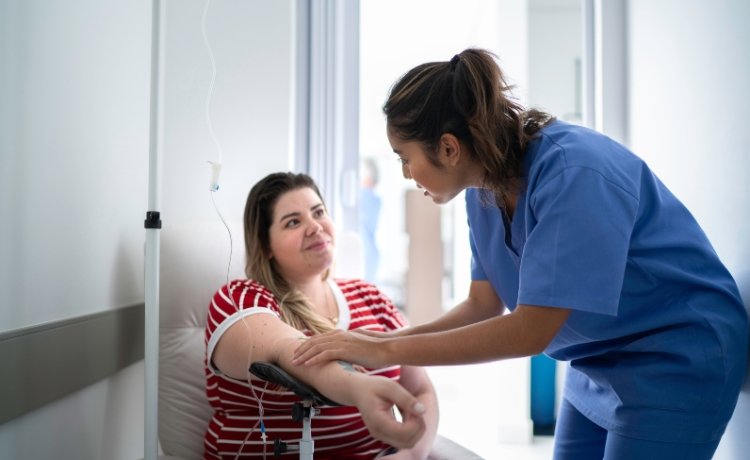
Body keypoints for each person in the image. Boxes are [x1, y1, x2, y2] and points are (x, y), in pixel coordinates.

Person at [293, 49, 749, 459]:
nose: (407, 173)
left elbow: (529, 331)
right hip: (595, 361)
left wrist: (386, 348)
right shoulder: (482, 189)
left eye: (404, 157)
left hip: (676, 356)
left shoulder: (574, 173)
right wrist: (375, 344)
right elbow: (482, 304)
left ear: (449, 148)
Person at [204, 172, 438, 459]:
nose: (315, 227)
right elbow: (288, 351)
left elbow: (420, 390)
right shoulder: (239, 298)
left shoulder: (371, 297)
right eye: (293, 221)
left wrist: (411, 454)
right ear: (266, 246)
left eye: (318, 213)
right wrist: (358, 387)